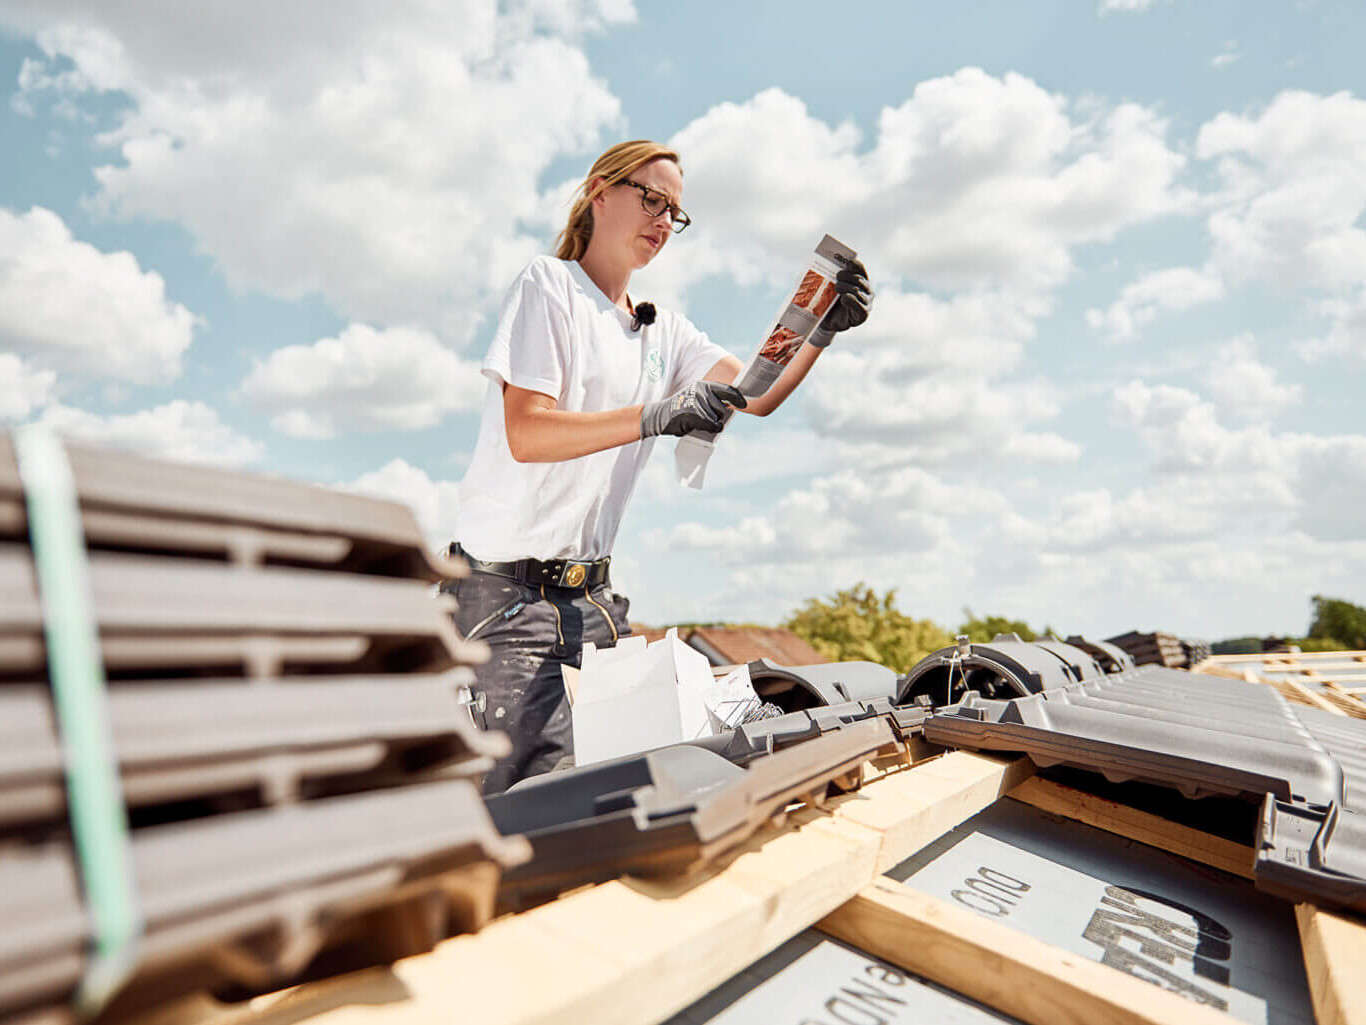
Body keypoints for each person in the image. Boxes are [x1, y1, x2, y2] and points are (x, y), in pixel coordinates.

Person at [447, 140, 872, 793]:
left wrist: (820, 329)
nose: (664, 221)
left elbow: (755, 393)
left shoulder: (662, 332)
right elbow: (527, 432)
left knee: (601, 802)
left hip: (593, 605)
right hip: (507, 604)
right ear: (599, 192)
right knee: (507, 816)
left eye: (676, 213)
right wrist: (655, 414)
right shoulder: (550, 286)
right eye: (652, 198)